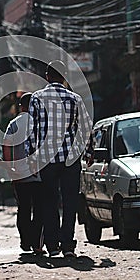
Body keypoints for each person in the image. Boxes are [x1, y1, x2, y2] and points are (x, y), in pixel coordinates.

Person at [26, 60, 92, 258]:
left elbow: (31, 130)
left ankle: (53, 246)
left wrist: (31, 157)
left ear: (47, 76)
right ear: (65, 77)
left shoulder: (36, 98)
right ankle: (68, 246)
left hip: (46, 160)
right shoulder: (75, 99)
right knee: (70, 202)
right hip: (70, 160)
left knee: (49, 202)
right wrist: (89, 153)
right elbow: (86, 129)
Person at [3, 93, 44, 255]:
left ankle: (25, 242)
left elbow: (6, 147)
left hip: (20, 175)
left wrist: (10, 168)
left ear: (21, 106)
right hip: (39, 174)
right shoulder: (40, 123)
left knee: (24, 208)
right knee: (39, 209)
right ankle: (37, 243)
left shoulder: (13, 124)